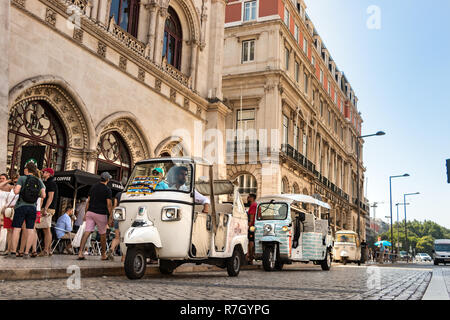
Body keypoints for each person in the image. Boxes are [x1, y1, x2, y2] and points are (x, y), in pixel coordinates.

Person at [6, 162, 46, 259]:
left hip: (21, 206)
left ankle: (13, 251)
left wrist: (16, 188)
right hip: (32, 207)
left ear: (27, 169)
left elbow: (16, 191)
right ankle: (26, 252)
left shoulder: (22, 178)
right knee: (30, 229)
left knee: (17, 228)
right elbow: (43, 195)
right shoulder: (39, 180)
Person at [77, 172, 113, 261]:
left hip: (90, 212)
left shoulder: (93, 187)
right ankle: (103, 255)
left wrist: (86, 213)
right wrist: (111, 216)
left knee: (87, 232)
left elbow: (88, 201)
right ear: (107, 179)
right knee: (103, 234)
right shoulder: (107, 189)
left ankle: (80, 252)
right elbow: (109, 204)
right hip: (100, 213)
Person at [37, 168, 58, 256]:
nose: (43, 173)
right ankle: (48, 250)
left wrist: (45, 208)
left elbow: (51, 197)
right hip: (46, 207)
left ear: (49, 174)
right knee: (46, 229)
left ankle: (46, 250)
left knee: (46, 229)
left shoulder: (51, 183)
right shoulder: (47, 182)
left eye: (44, 172)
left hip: (48, 208)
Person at [0, 174, 19, 255]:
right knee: (8, 229)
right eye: (14, 180)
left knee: (14, 230)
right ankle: (8, 249)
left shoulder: (21, 189)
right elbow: (0, 186)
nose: (15, 181)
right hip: (7, 210)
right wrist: (9, 180)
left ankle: (13, 249)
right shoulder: (11, 188)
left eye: (17, 180)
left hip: (15, 211)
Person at [107, 191, 124, 262]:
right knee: (124, 238)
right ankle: (123, 257)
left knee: (117, 237)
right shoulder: (130, 193)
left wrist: (111, 218)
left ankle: (111, 249)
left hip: (118, 214)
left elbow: (115, 206)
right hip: (125, 215)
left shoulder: (118, 194)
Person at [246, 193, 257, 265]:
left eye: (248, 197)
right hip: (254, 225)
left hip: (252, 226)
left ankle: (250, 258)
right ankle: (251, 257)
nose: (247, 198)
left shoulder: (253, 205)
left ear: (252, 198)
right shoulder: (255, 205)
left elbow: (252, 216)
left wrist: (249, 225)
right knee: (252, 241)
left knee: (251, 241)